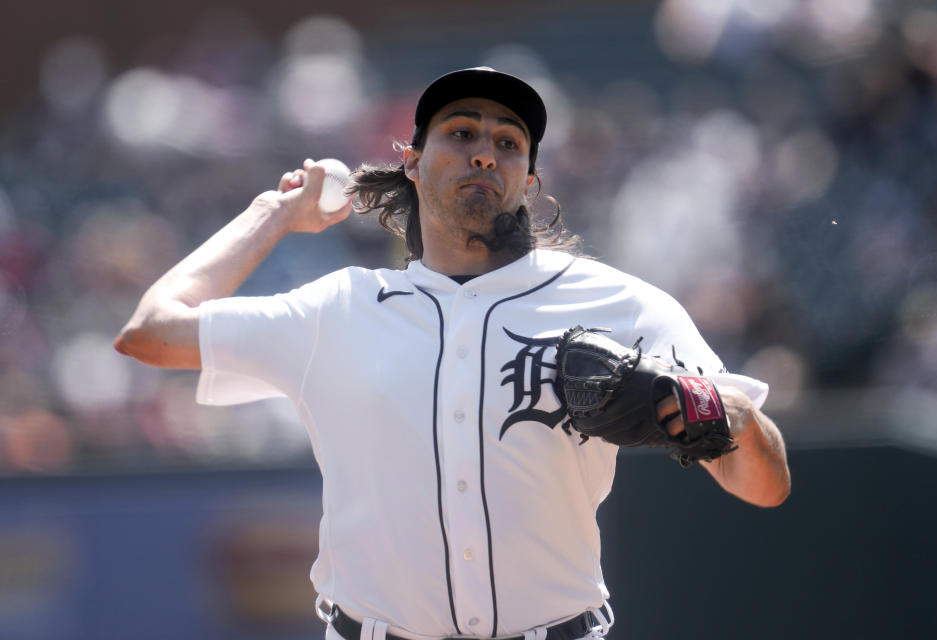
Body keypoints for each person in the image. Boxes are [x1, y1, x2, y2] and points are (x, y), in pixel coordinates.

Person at [115, 67, 790, 640]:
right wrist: (277, 212)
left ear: (528, 180)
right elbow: (151, 331)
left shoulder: (621, 306)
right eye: (461, 133)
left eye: (508, 142)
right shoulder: (336, 309)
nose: (485, 153)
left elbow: (764, 486)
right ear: (411, 161)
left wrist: (732, 421)